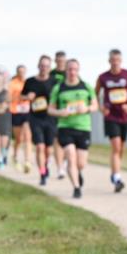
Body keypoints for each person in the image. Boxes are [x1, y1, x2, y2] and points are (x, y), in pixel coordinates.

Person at [49, 59, 97, 199]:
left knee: (81, 163)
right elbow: (50, 109)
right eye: (69, 69)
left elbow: (95, 106)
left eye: (75, 69)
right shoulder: (59, 88)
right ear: (66, 70)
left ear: (78, 70)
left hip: (83, 127)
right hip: (65, 127)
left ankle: (77, 172)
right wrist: (60, 112)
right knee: (70, 155)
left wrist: (86, 108)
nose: (72, 72)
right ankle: (76, 187)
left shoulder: (86, 87)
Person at [95, 48, 127, 193]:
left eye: (118, 60)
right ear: (109, 61)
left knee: (121, 148)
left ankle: (114, 172)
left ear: (121, 61)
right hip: (111, 116)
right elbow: (94, 95)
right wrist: (101, 108)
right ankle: (117, 179)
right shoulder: (103, 77)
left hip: (125, 116)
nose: (115, 63)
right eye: (113, 60)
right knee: (116, 146)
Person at [22, 55, 58, 186]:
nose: (44, 68)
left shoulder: (54, 82)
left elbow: (59, 98)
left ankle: (46, 165)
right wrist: (27, 96)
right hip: (35, 118)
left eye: (47, 66)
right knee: (39, 147)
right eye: (42, 66)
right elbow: (22, 96)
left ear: (50, 68)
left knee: (48, 150)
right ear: (38, 66)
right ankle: (42, 173)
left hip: (50, 118)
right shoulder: (30, 81)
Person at [8, 64, 33, 173]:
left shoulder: (29, 83)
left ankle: (27, 161)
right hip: (15, 111)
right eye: (20, 71)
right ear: (17, 72)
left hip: (27, 112)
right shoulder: (12, 84)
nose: (22, 73)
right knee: (19, 139)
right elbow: (8, 97)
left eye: (23, 71)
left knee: (28, 137)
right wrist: (22, 97)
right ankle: (14, 155)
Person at [51, 51, 69, 179]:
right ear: (55, 60)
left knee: (68, 139)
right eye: (59, 60)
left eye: (63, 60)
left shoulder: (71, 73)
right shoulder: (51, 74)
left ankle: (67, 160)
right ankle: (60, 168)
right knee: (57, 139)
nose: (61, 62)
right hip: (55, 111)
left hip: (69, 111)